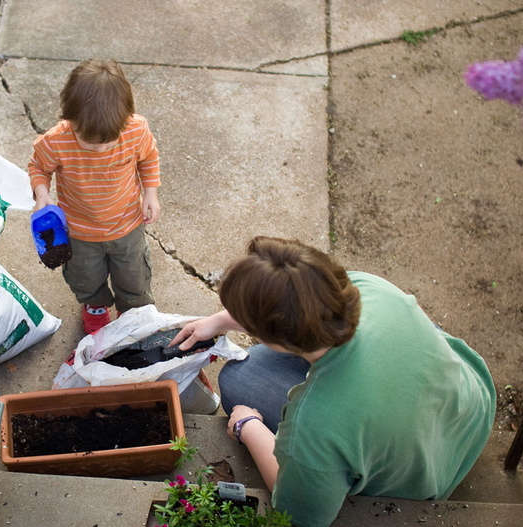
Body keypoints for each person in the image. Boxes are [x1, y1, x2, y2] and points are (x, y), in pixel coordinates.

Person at [170, 236, 495, 527]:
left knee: (238, 382)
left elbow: (299, 514)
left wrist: (248, 425)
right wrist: (222, 320)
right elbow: (297, 304)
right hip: (472, 407)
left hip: (424, 481)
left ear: (277, 338)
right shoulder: (367, 287)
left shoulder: (316, 423)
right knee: (249, 371)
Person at [29, 59, 161, 334]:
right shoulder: (55, 141)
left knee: (134, 277)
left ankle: (132, 311)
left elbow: (148, 158)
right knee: (85, 278)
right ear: (70, 118)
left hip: (127, 225)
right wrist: (42, 194)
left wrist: (151, 192)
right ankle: (96, 306)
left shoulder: (135, 130)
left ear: (125, 119)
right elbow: (38, 167)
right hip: (79, 232)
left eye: (107, 142)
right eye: (88, 140)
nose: (99, 149)